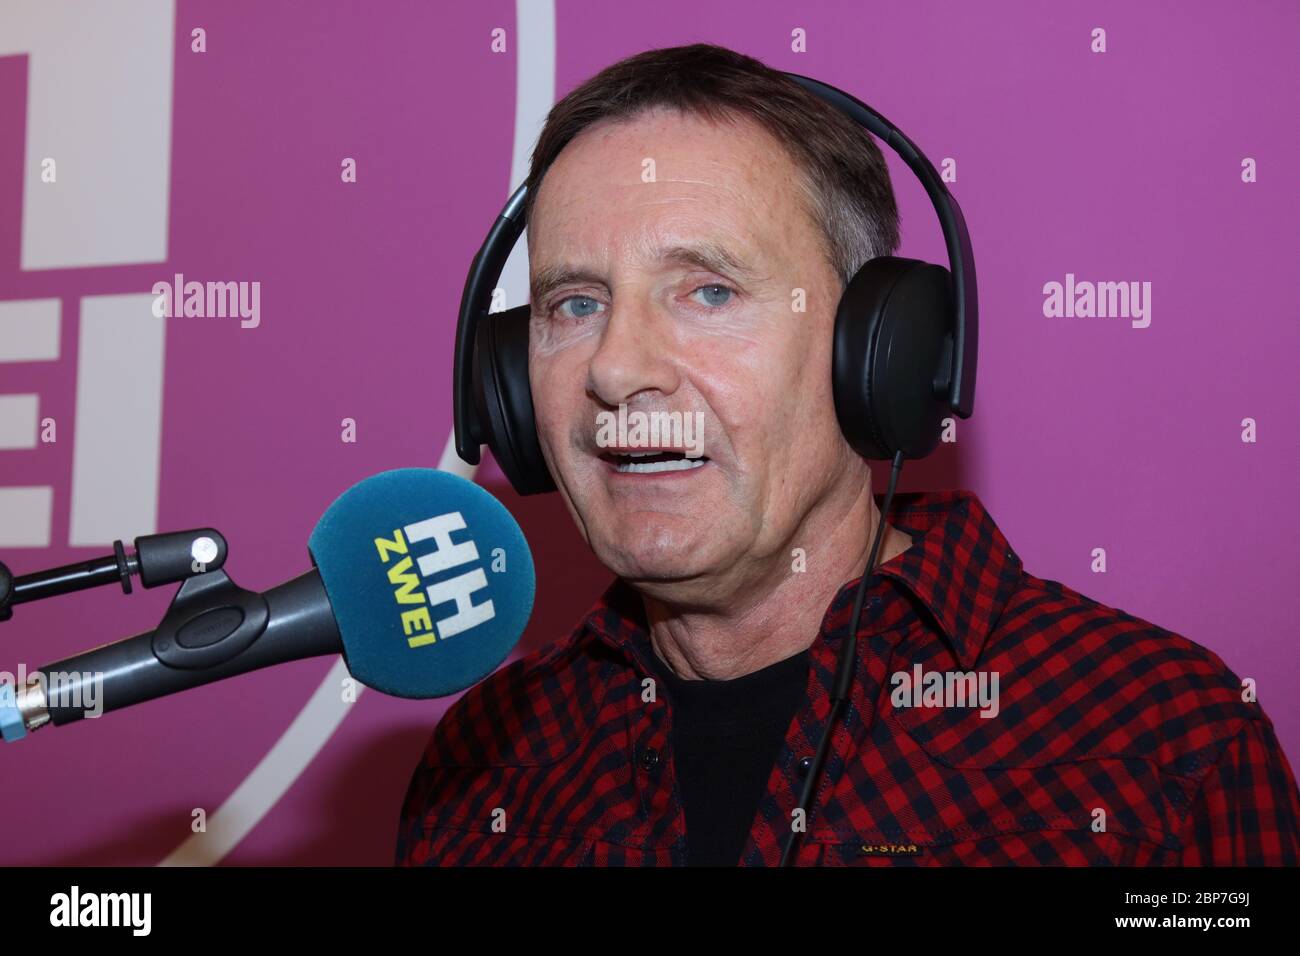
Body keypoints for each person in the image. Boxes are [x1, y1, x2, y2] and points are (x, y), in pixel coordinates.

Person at [395, 43, 1300, 866]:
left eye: (709, 292)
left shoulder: (1163, 740)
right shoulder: (484, 769)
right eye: (576, 305)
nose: (618, 369)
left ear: (880, 355)